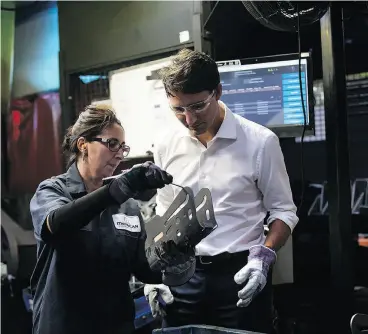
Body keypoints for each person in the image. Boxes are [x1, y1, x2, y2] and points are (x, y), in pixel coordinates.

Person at [144, 49, 299, 333]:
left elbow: (284, 211)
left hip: (240, 275)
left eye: (198, 106)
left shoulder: (260, 142)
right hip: (182, 276)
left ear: (217, 91)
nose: (189, 120)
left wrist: (263, 257)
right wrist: (155, 270)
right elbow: (165, 213)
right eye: (178, 109)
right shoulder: (165, 144)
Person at [29, 105, 175, 334]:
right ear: (83, 145)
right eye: (112, 144)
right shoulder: (53, 191)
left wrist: (173, 251)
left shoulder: (127, 207)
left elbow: (144, 269)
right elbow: (54, 227)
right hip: (64, 326)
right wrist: (116, 190)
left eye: (123, 147)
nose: (119, 153)